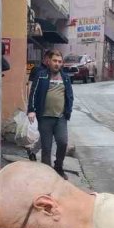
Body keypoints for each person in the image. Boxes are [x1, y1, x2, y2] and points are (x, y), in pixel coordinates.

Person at [27, 49, 73, 179]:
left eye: (59, 61)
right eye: (54, 61)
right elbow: (33, 93)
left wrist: (68, 111)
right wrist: (31, 110)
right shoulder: (41, 75)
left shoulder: (65, 78)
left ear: (62, 63)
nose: (57, 64)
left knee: (63, 142)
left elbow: (69, 95)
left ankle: (58, 167)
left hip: (60, 118)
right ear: (49, 61)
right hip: (45, 118)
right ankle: (47, 175)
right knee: (46, 148)